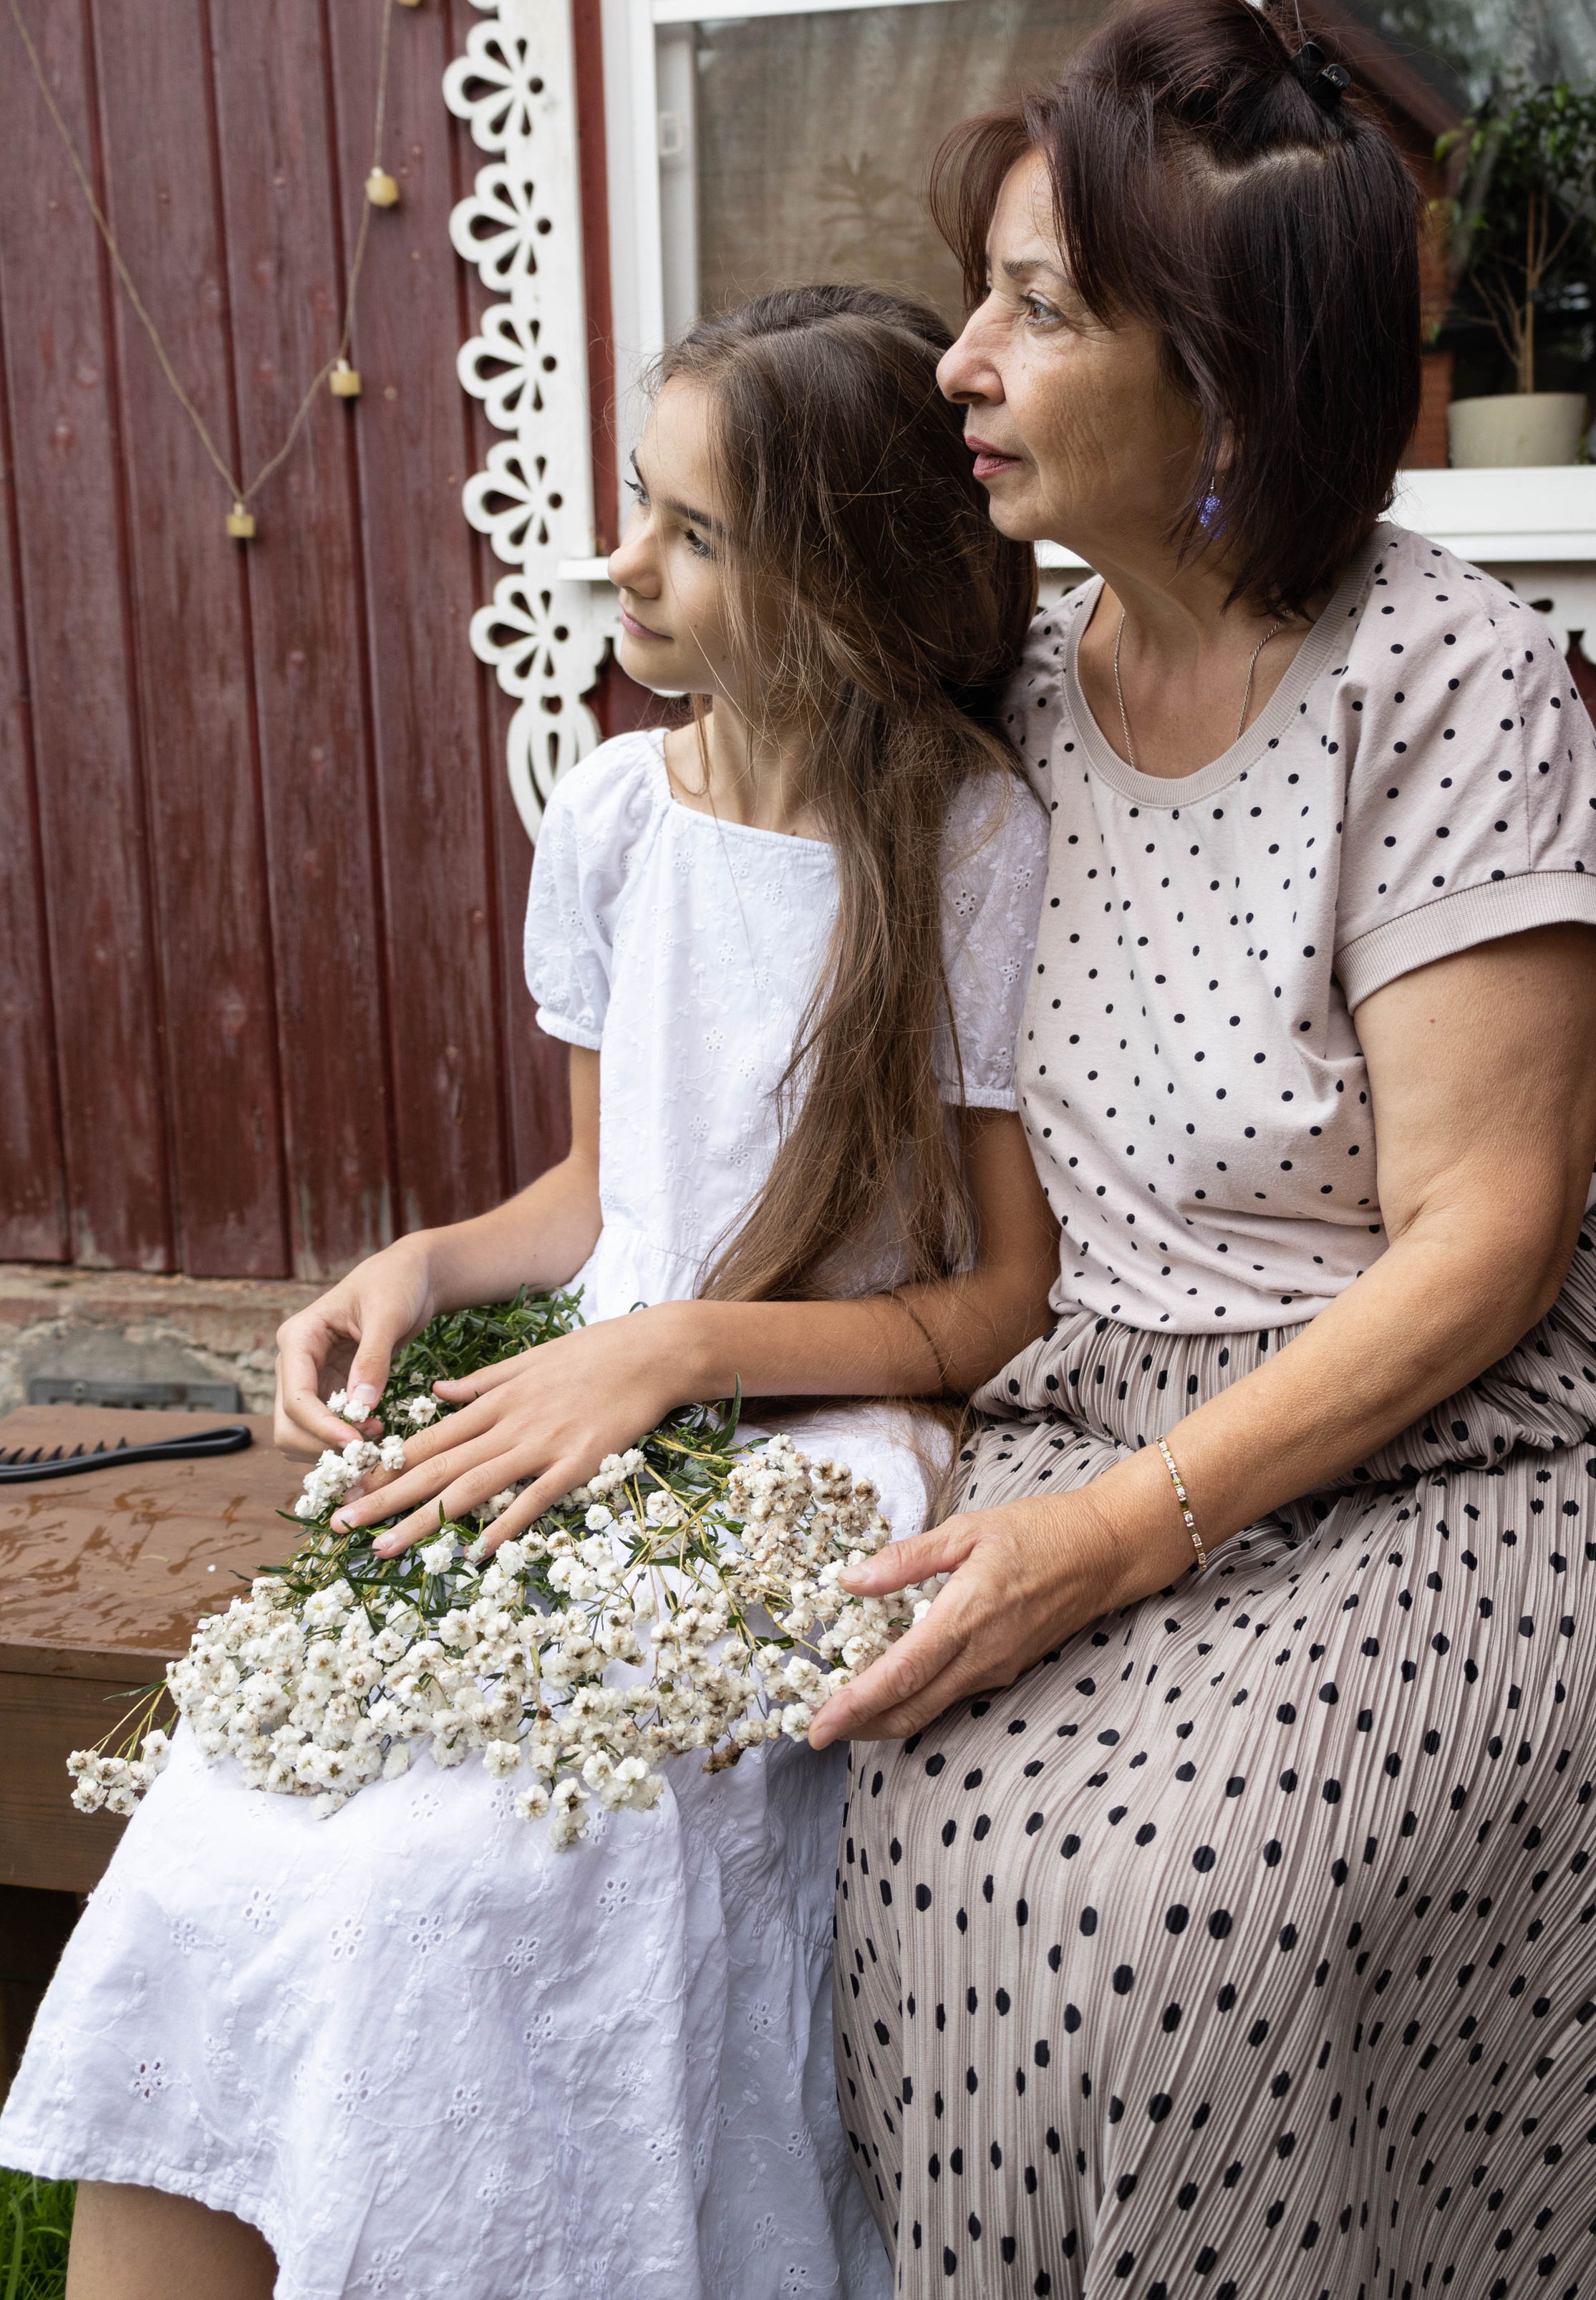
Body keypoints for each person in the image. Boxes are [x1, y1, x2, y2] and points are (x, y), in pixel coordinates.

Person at [806, 0, 1596, 2298]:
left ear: (1225, 384)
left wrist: (1122, 1533)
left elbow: (1486, 1238)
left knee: (1196, 1907)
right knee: (937, 1809)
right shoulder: (1030, 694)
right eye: (982, 291)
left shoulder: (1439, 679)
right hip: (1146, 1391)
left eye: (1038, 311)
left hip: (1518, 1417)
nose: (960, 361)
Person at [0, 286, 1059, 2300]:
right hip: (594, 1401)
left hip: (803, 1448)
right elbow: (598, 1193)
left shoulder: (962, 840)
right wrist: (416, 1263)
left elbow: (1001, 1295)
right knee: (231, 1823)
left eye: (692, 531)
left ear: (834, 583)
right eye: (632, 501)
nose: (623, 560)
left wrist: (677, 1357)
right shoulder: (612, 814)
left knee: (459, 1880)